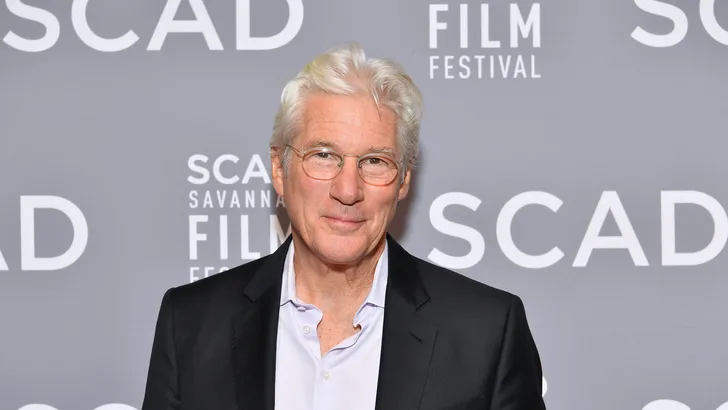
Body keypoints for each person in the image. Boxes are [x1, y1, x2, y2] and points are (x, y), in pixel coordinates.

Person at [141, 42, 547, 410]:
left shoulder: (485, 333)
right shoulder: (192, 323)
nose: (348, 190)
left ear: (404, 180)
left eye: (375, 161)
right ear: (279, 169)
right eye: (323, 155)